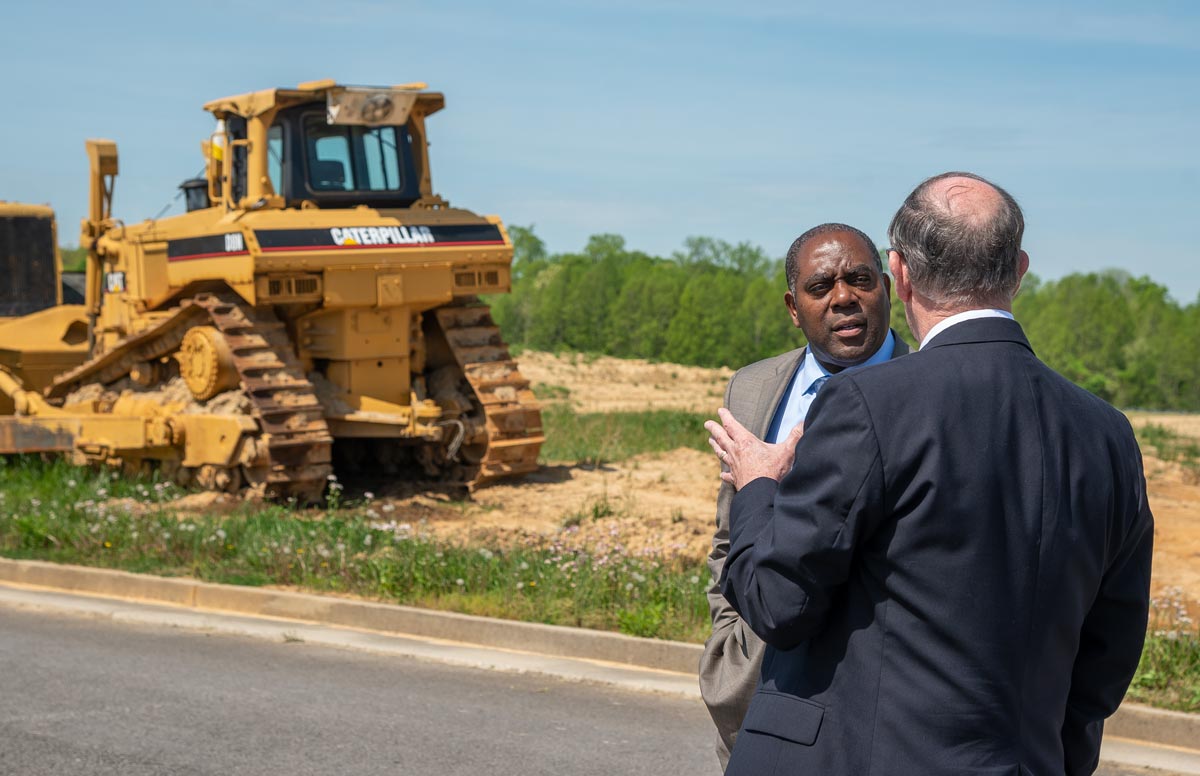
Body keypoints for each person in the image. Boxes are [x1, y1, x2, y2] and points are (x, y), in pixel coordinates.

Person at [707, 172, 1153, 776]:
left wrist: (758, 484)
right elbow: (1110, 647)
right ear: (1019, 269)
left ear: (901, 274)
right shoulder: (1108, 434)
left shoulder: (868, 403)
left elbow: (780, 603)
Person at [699, 223, 910, 769]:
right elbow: (729, 536)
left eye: (859, 280)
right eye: (822, 287)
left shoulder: (925, 389)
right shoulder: (751, 389)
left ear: (886, 287)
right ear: (794, 307)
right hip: (755, 691)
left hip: (877, 700)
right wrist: (729, 650)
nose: (844, 298)